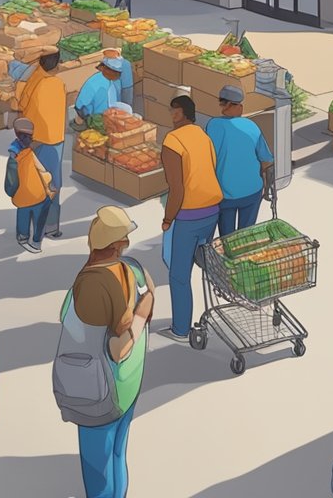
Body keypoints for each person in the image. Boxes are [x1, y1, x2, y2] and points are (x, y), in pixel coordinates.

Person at [60, 206, 153, 498]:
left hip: (98, 391)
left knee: (99, 470)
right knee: (116, 454)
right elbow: (150, 292)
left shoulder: (92, 285)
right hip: (128, 385)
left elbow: (117, 349)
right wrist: (143, 310)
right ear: (119, 245)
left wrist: (137, 319)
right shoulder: (135, 270)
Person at [159, 95, 222, 341]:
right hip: (212, 209)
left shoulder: (173, 141)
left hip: (187, 215)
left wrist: (167, 219)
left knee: (178, 274)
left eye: (173, 111)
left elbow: (176, 188)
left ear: (180, 113)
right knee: (202, 259)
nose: (171, 115)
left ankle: (181, 329)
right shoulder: (203, 136)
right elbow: (211, 167)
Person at [206, 85, 274, 238]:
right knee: (246, 235)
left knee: (227, 237)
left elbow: (207, 159)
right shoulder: (251, 126)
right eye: (239, 104)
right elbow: (266, 161)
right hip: (252, 192)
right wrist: (267, 186)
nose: (242, 107)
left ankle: (229, 259)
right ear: (229, 105)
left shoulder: (213, 126)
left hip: (225, 195)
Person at [16, 51, 68, 238]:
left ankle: (28, 224)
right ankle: (51, 227)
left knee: (31, 181)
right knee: (52, 184)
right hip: (51, 142)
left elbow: (20, 103)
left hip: (30, 139)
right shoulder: (56, 84)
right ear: (57, 65)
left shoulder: (33, 79)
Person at [6, 117, 58, 254]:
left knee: (23, 215)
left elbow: (11, 180)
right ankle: (36, 242)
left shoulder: (13, 157)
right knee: (39, 219)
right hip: (39, 194)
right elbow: (42, 170)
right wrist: (50, 184)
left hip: (22, 195)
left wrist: (11, 191)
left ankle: (23, 237)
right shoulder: (35, 152)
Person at [74, 58, 126, 128]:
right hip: (90, 116)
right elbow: (82, 105)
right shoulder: (95, 82)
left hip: (108, 115)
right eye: (114, 72)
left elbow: (114, 102)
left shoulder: (115, 82)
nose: (116, 75)